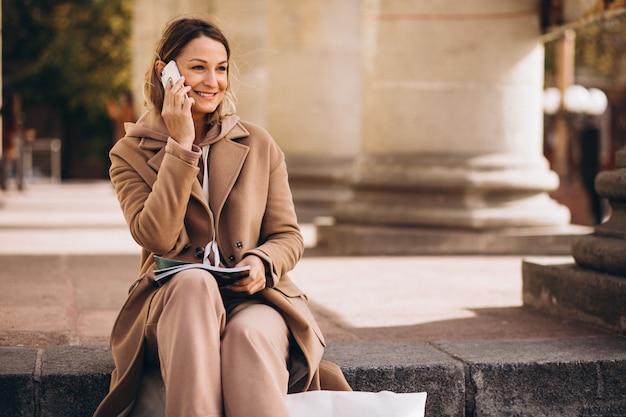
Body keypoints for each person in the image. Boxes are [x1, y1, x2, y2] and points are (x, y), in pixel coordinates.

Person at [93, 16, 350, 417]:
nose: (213, 81)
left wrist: (263, 262)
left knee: (247, 336)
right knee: (193, 281)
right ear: (167, 73)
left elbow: (288, 236)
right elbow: (156, 237)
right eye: (198, 67)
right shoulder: (129, 153)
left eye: (222, 68)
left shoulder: (259, 143)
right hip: (174, 303)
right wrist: (180, 145)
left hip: (254, 300)